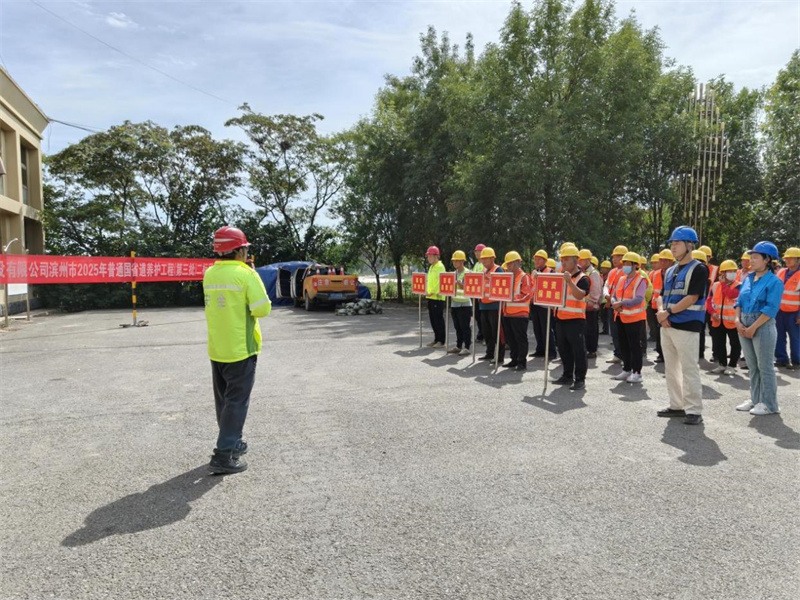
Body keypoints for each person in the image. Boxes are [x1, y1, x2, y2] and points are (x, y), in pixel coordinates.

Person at [203, 226, 272, 474]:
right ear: (239, 250)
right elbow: (262, 309)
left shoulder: (210, 273)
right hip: (241, 348)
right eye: (245, 249)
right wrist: (253, 275)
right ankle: (223, 454)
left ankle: (234, 441)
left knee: (225, 400)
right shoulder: (246, 275)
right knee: (237, 402)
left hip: (217, 348)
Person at [655, 226, 708, 425]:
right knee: (671, 368)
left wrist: (667, 313)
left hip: (687, 325)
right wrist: (662, 313)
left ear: (689, 245)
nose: (673, 247)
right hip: (667, 324)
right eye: (672, 243)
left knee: (689, 368)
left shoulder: (699, 269)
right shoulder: (670, 270)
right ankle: (676, 405)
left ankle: (694, 410)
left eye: (677, 243)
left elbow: (692, 297)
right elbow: (661, 295)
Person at [735, 242, 784, 415]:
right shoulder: (748, 278)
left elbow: (771, 308)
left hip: (762, 325)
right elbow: (739, 301)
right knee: (752, 365)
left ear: (767, 260)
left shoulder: (774, 282)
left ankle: (770, 404)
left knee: (765, 366)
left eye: (756, 257)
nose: (751, 260)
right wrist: (737, 320)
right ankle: (756, 399)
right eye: (751, 257)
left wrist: (753, 327)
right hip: (744, 323)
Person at [551, 246, 590, 390]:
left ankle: (580, 379)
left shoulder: (583, 278)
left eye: (566, 259)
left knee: (578, 351)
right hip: (560, 318)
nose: (563, 262)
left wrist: (570, 282)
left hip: (575, 320)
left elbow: (580, 295)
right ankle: (567, 375)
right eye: (562, 260)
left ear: (576, 260)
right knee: (563, 350)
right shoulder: (560, 276)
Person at [610, 252, 648, 383]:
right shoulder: (622, 279)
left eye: (627, 263)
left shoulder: (640, 280)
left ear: (635, 265)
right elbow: (615, 295)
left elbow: (638, 298)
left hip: (635, 318)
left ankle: (637, 372)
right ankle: (626, 369)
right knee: (624, 345)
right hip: (621, 316)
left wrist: (621, 303)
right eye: (624, 263)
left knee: (635, 346)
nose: (625, 265)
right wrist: (614, 303)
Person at [706, 260, 741, 375]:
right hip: (717, 320)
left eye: (734, 271)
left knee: (735, 344)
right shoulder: (715, 285)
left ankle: (732, 365)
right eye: (729, 271)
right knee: (719, 344)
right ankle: (722, 364)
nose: (732, 273)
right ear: (722, 273)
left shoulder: (739, 285)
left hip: (732, 321)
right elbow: (709, 301)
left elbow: (731, 295)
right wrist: (712, 313)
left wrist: (723, 284)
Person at [501, 251, 534, 371]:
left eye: (510, 264)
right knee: (511, 339)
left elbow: (527, 295)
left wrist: (511, 298)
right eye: (507, 264)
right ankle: (514, 359)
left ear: (517, 263)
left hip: (520, 314)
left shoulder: (524, 277)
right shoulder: (508, 277)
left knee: (520, 339)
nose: (508, 266)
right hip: (508, 313)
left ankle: (521, 362)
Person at [478, 247, 505, 364]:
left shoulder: (498, 270)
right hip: (484, 305)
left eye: (486, 259)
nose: (483, 261)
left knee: (497, 332)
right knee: (487, 332)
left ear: (492, 259)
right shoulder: (484, 271)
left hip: (495, 306)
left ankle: (499, 356)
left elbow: (503, 287)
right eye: (482, 259)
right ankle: (489, 353)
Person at [775, 247, 800, 369]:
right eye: (786, 258)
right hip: (779, 311)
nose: (787, 260)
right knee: (779, 336)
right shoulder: (781, 272)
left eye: (791, 258)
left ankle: (797, 361)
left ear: (798, 260)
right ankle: (781, 359)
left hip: (795, 313)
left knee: (795, 338)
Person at [530, 249, 557, 359]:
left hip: (545, 305)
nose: (536, 261)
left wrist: (540, 277)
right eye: (535, 259)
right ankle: (540, 349)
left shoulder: (551, 272)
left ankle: (551, 352)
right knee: (537, 329)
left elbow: (553, 286)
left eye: (539, 259)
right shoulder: (534, 272)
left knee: (546, 329)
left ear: (545, 261)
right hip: (534, 304)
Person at [604, 245, 628, 363]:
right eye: (614, 256)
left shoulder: (627, 271)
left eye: (618, 256)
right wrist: (606, 296)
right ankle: (618, 354)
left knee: (623, 332)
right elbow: (606, 285)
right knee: (614, 332)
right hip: (612, 305)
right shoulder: (612, 271)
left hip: (622, 307)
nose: (614, 259)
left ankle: (625, 356)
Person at [447, 250, 473, 356]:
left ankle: (467, 347)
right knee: (457, 327)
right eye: (453, 261)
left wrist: (460, 284)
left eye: (456, 260)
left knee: (465, 327)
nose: (454, 262)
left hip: (465, 304)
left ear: (462, 261)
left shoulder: (468, 273)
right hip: (455, 303)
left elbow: (470, 288)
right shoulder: (453, 274)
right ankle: (458, 346)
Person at [578, 249, 602, 358]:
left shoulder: (593, 273)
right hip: (583, 306)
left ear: (588, 260)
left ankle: (592, 350)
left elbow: (596, 290)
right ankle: (586, 349)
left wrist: (592, 302)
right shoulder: (582, 272)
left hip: (591, 306)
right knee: (584, 329)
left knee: (591, 329)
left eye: (581, 260)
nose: (579, 262)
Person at [424, 246, 446, 348]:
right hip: (430, 297)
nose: (428, 258)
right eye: (428, 256)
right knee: (433, 319)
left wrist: (432, 292)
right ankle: (436, 339)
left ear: (436, 256)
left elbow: (440, 283)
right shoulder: (431, 267)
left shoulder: (440, 267)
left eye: (430, 256)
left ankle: (441, 341)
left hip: (437, 298)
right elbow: (429, 281)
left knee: (438, 320)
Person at [692, 249, 711, 361]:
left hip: (701, 310)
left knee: (700, 331)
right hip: (690, 311)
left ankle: (700, 352)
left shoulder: (706, 280)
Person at [473, 244, 487, 343]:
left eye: (479, 251)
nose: (477, 253)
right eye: (476, 251)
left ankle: (485, 336)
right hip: (476, 294)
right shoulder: (476, 264)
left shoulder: (484, 265)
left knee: (483, 317)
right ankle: (481, 334)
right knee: (478, 316)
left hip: (482, 295)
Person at [599, 259, 612, 334]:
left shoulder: (609, 277)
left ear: (608, 269)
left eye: (604, 268)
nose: (602, 269)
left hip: (607, 300)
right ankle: (605, 329)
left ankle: (606, 330)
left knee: (606, 316)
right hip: (602, 299)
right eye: (602, 268)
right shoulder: (601, 276)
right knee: (603, 316)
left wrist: (608, 300)